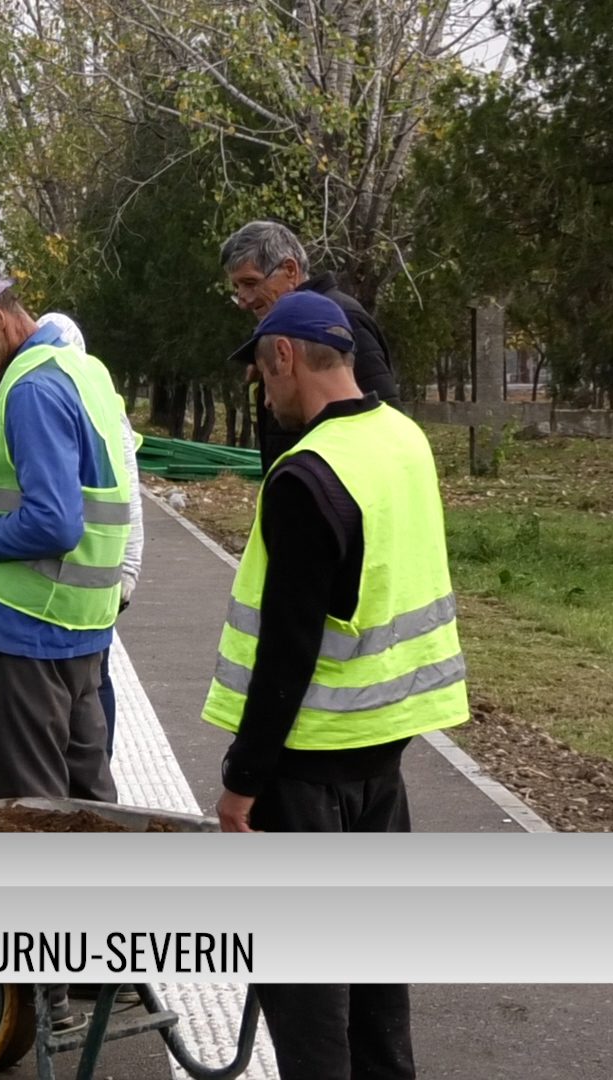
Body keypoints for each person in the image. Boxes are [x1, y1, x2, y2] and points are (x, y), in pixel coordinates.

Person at [204, 291, 469, 1080]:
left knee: (310, 999)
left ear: (285, 355)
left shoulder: (307, 476)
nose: (263, 392)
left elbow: (288, 652)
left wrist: (241, 785)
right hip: (383, 763)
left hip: (307, 771)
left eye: (261, 372)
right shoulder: (404, 440)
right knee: (378, 983)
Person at [0, 265, 135, 1033]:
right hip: (80, 629)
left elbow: (52, 521)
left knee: (27, 820)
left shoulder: (33, 387)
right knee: (86, 808)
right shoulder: (83, 370)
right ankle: (116, 967)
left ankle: (46, 1001)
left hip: (25, 632)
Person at [38, 312, 143, 756]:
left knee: (88, 684)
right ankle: (93, 772)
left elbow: (127, 495)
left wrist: (129, 572)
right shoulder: (99, 394)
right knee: (91, 681)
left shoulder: (83, 399)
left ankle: (89, 772)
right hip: (103, 572)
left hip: (93, 575)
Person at [220, 220, 399, 468]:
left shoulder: (342, 318)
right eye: (237, 288)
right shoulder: (280, 330)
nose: (243, 301)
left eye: (251, 283)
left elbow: (384, 422)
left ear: (290, 270)